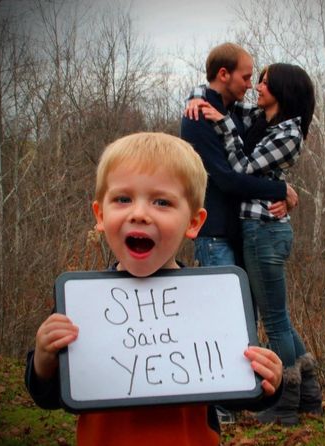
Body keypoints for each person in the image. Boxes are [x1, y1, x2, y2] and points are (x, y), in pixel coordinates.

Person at [24, 132, 283, 446]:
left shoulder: (212, 304)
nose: (139, 213)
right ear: (101, 215)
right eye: (123, 199)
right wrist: (43, 361)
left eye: (162, 202)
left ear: (193, 222)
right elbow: (52, 397)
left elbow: (236, 394)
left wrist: (268, 380)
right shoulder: (80, 305)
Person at [185, 63, 323, 425]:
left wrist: (284, 192)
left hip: (265, 231)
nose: (257, 86)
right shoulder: (263, 118)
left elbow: (243, 169)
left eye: (265, 81)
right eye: (256, 79)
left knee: (275, 321)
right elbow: (216, 97)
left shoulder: (288, 133)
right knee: (279, 317)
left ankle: (286, 402)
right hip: (255, 229)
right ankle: (309, 394)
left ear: (284, 89)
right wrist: (199, 101)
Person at [180, 42, 298, 269]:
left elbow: (255, 165)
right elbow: (226, 180)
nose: (250, 85)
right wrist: (280, 190)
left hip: (241, 233)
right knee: (224, 305)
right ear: (224, 74)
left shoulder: (234, 113)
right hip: (215, 235)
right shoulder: (197, 117)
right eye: (246, 78)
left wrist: (281, 195)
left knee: (248, 305)